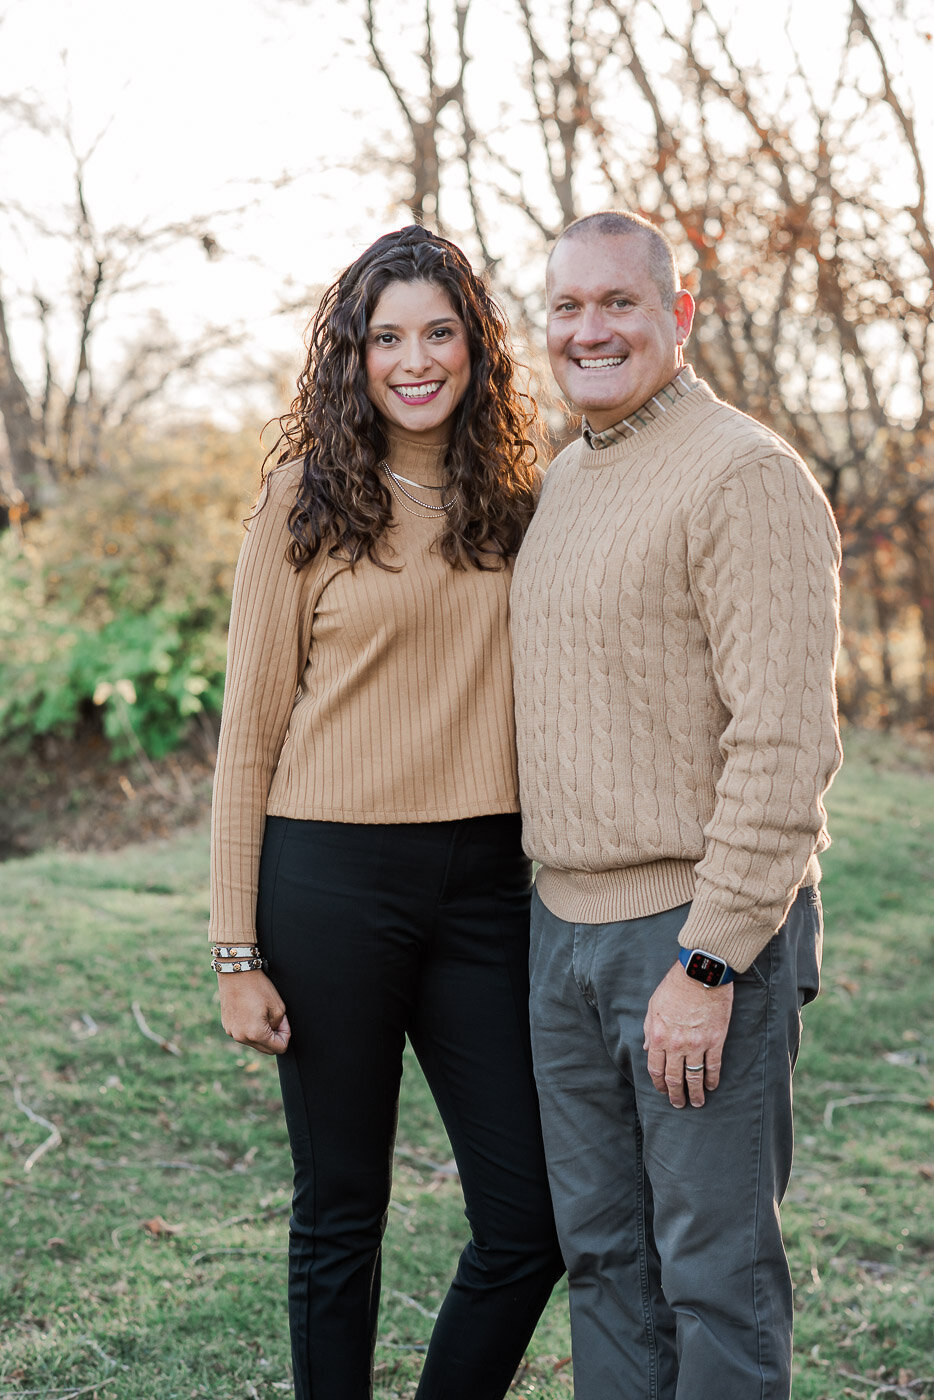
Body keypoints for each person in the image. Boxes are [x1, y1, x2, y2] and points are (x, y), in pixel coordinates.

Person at [209, 224, 564, 1400]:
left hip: (485, 888)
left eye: (439, 332)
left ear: (475, 347)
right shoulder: (302, 505)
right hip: (327, 887)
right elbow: (247, 737)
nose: (414, 360)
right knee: (341, 1210)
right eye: (386, 336)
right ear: (352, 355)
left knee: (530, 1218)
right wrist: (234, 949)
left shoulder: (520, 497)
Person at [510, 210, 842, 1400]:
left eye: (618, 304)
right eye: (565, 306)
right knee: (603, 1262)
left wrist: (707, 963)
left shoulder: (742, 473)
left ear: (678, 313)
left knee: (714, 1274)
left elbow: (785, 738)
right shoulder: (560, 480)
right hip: (563, 939)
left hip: (693, 940)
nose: (588, 329)